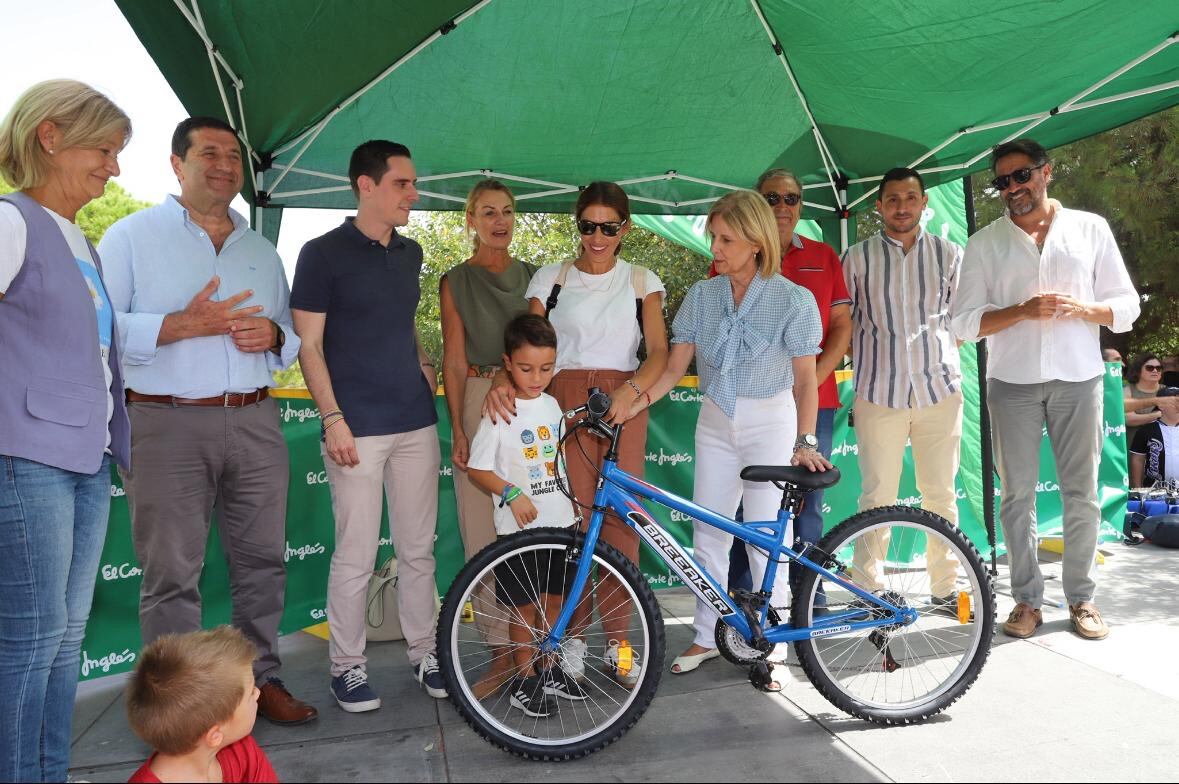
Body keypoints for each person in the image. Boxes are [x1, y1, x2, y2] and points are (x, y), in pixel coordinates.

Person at [101, 116, 314, 725]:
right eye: (209, 153)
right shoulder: (130, 237)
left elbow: (288, 338)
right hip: (164, 422)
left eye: (233, 157)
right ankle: (179, 710)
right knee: (171, 575)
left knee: (263, 563)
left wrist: (274, 334)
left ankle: (258, 684)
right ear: (177, 164)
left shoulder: (261, 251)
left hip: (254, 418)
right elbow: (99, 326)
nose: (224, 165)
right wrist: (179, 325)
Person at [637, 189, 828, 686]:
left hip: (771, 422)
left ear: (756, 242)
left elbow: (806, 382)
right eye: (714, 237)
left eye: (726, 239)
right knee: (709, 534)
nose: (715, 248)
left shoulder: (794, 299)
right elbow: (673, 369)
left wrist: (805, 442)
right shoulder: (702, 296)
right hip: (715, 423)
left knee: (767, 536)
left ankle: (772, 640)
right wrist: (631, 406)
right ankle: (707, 633)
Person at [953, 138, 1140, 641]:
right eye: (1003, 181)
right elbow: (963, 323)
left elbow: (1127, 305)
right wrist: (1021, 311)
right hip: (1011, 382)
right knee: (1017, 497)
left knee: (1082, 493)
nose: (1013, 187)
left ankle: (1082, 598)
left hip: (1079, 378)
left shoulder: (1090, 228)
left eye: (1022, 175)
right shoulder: (984, 243)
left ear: (1046, 172)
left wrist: (1087, 310)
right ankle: (1026, 600)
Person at [0, 79, 132, 783]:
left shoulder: (83, 241)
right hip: (26, 457)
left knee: (64, 638)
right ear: (49, 137)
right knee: (33, 639)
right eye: (103, 149)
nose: (114, 166)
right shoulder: (10, 221)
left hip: (87, 460)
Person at [291, 140, 446, 711]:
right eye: (403, 183)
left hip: (415, 422)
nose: (414, 193)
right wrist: (332, 418)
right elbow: (309, 345)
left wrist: (423, 360)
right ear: (366, 185)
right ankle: (347, 668)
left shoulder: (411, 253)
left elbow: (400, 322)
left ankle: (425, 654)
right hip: (354, 428)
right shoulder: (320, 254)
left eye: (413, 183)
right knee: (355, 555)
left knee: (418, 552)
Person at [508, 181, 668, 688]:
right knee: (572, 523)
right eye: (588, 226)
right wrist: (502, 382)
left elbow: (659, 353)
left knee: (621, 522)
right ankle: (570, 641)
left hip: (625, 400)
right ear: (577, 225)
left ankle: (619, 644)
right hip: (564, 399)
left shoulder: (642, 280)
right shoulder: (550, 277)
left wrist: (631, 391)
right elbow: (526, 343)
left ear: (626, 228)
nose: (598, 237)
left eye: (609, 227)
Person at [714, 168, 851, 603]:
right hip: (753, 404)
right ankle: (745, 602)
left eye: (791, 199)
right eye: (772, 198)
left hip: (813, 398)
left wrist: (810, 379)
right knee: (746, 507)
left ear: (801, 205)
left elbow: (843, 325)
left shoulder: (824, 255)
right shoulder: (731, 253)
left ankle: (808, 601)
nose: (782, 206)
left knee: (805, 503)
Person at [841, 167, 965, 612]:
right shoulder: (856, 258)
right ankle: (867, 592)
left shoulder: (950, 255)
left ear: (924, 203)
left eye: (910, 198)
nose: (902, 207)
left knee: (941, 494)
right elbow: (843, 325)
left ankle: (945, 589)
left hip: (939, 391)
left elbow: (961, 323)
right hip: (879, 392)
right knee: (877, 496)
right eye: (892, 199)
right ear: (878, 206)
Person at [440, 179, 535, 698]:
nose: (500, 221)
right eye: (489, 212)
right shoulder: (455, 281)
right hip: (478, 400)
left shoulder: (535, 277)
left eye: (508, 211)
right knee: (481, 531)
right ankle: (500, 654)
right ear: (471, 220)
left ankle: (537, 650)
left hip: (531, 403)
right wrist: (458, 426)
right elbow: (454, 360)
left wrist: (513, 379)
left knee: (535, 524)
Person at [466, 314, 586, 716]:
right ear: (507, 363)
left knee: (554, 603)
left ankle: (547, 668)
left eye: (546, 368)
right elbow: (478, 469)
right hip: (519, 533)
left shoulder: (552, 405)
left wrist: (572, 508)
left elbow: (559, 462)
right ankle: (524, 677)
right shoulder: (499, 409)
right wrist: (512, 493)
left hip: (561, 526)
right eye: (526, 368)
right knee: (524, 609)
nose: (537, 378)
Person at [126, 627, 278, 784]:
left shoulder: (244, 751)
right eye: (251, 692)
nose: (258, 693)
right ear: (215, 736)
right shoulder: (239, 752)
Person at [1129, 388, 1179, 487]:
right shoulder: (1145, 430)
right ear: (1161, 405)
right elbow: (1137, 460)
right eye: (1175, 401)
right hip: (1154, 490)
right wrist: (1138, 489)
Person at [1124, 353, 1168, 447]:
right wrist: (1158, 415)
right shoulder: (1128, 390)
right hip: (1133, 444)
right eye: (1150, 368)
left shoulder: (1168, 391)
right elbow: (1128, 419)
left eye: (1158, 368)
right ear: (1138, 370)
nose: (1155, 370)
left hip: (1161, 446)